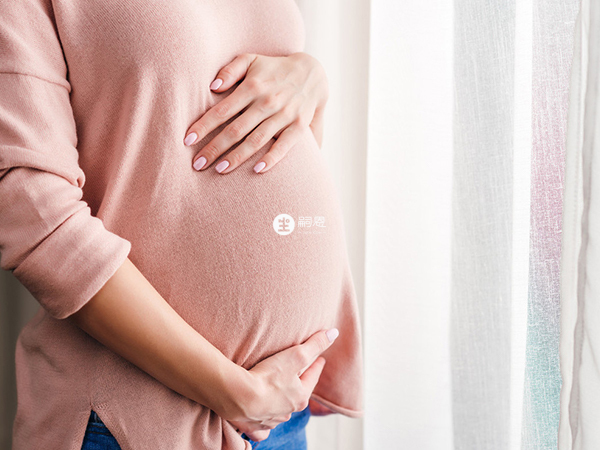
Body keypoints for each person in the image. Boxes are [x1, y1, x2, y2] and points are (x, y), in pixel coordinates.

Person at [0, 0, 364, 449]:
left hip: (281, 412)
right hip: (139, 421)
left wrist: (312, 79)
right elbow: (32, 214)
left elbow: (262, 141)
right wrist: (234, 392)